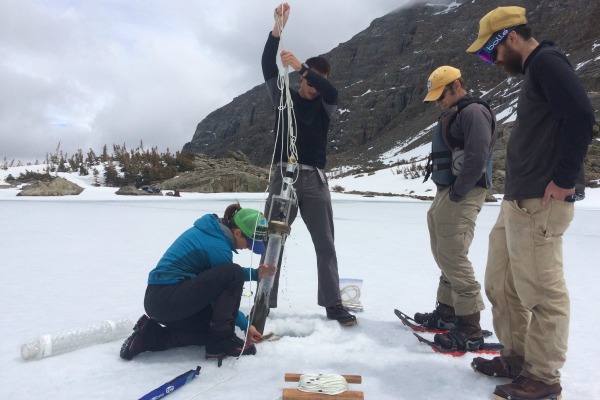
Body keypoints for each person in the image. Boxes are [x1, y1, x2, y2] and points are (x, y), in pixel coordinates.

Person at [466, 6, 595, 400]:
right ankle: (516, 357)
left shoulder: (547, 63)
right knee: (500, 283)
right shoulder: (535, 69)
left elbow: (581, 114)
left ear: (511, 38)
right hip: (518, 200)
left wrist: (563, 177)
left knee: (542, 291)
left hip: (541, 198)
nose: (492, 61)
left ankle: (543, 377)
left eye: (491, 52)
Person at [256, 3, 356, 326]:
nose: (314, 85)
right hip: (282, 174)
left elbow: (331, 90)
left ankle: (333, 304)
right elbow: (266, 66)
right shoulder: (283, 94)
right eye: (311, 79)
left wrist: (301, 67)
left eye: (317, 79)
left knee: (325, 243)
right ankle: (263, 301)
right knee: (273, 240)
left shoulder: (325, 104)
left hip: (313, 178)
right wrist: (277, 30)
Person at [120, 203, 269, 361]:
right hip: (167, 297)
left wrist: (255, 274)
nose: (249, 248)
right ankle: (221, 343)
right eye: (250, 243)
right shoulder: (217, 246)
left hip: (162, 301)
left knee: (208, 331)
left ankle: (149, 337)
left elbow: (212, 280)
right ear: (238, 232)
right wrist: (245, 325)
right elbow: (223, 287)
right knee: (234, 273)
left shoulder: (215, 233)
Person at [416, 66, 496, 351]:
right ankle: (447, 314)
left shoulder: (473, 112)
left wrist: (458, 193)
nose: (438, 102)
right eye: (435, 98)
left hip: (463, 192)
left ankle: (470, 328)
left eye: (441, 96)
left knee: (453, 255)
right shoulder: (456, 112)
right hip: (448, 190)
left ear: (456, 86)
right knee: (443, 253)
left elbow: (477, 157)